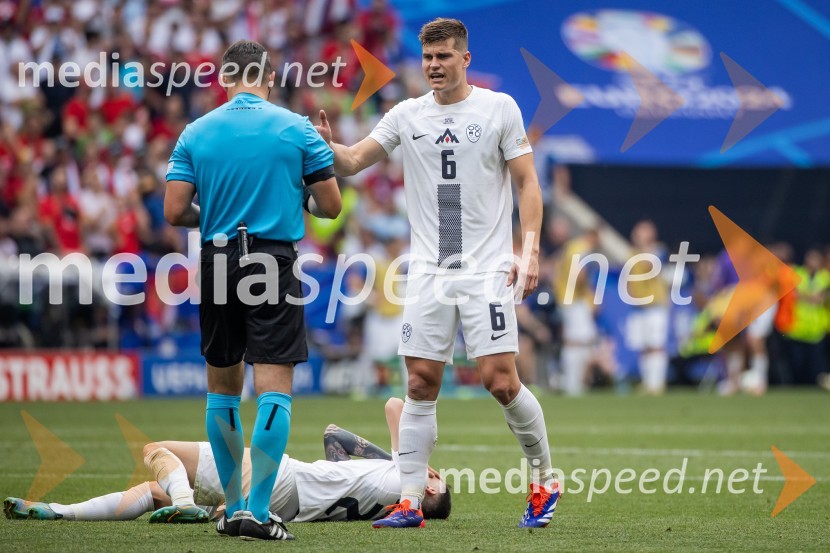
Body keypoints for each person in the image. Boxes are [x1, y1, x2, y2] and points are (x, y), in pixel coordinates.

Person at [315, 18, 559, 528]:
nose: (434, 65)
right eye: (428, 57)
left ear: (465, 59)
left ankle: (544, 480)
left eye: (444, 56)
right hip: (428, 269)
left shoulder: (499, 108)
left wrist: (531, 250)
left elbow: (527, 184)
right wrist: (323, 147)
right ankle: (409, 501)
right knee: (420, 382)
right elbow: (353, 160)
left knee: (500, 381)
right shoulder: (408, 114)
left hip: (486, 268)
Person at [164, 40, 341, 541]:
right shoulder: (297, 128)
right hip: (272, 259)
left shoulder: (196, 131)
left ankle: (233, 507)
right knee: (273, 387)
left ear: (225, 79)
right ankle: (258, 513)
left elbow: (175, 211)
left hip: (217, 258)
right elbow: (330, 207)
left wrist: (216, 216)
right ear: (269, 78)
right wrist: (297, 191)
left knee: (222, 389)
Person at [4, 399, 451, 525]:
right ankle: (57, 511)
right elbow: (333, 438)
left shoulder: (404, 475)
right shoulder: (389, 493)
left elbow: (395, 405)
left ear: (428, 486)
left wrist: (415, 463)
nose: (435, 472)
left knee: (156, 450)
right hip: (289, 505)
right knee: (152, 491)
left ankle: (185, 505)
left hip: (280, 478)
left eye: (438, 478)